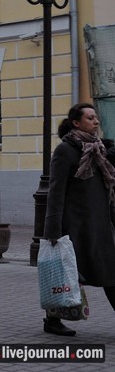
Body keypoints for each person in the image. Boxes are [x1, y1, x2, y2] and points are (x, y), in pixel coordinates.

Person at [43, 103, 115, 336]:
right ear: (76, 122)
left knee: (110, 272)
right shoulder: (66, 150)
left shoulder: (99, 149)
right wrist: (52, 229)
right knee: (66, 274)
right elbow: (56, 191)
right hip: (74, 225)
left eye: (96, 118)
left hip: (99, 223)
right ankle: (52, 320)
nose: (95, 121)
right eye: (90, 118)